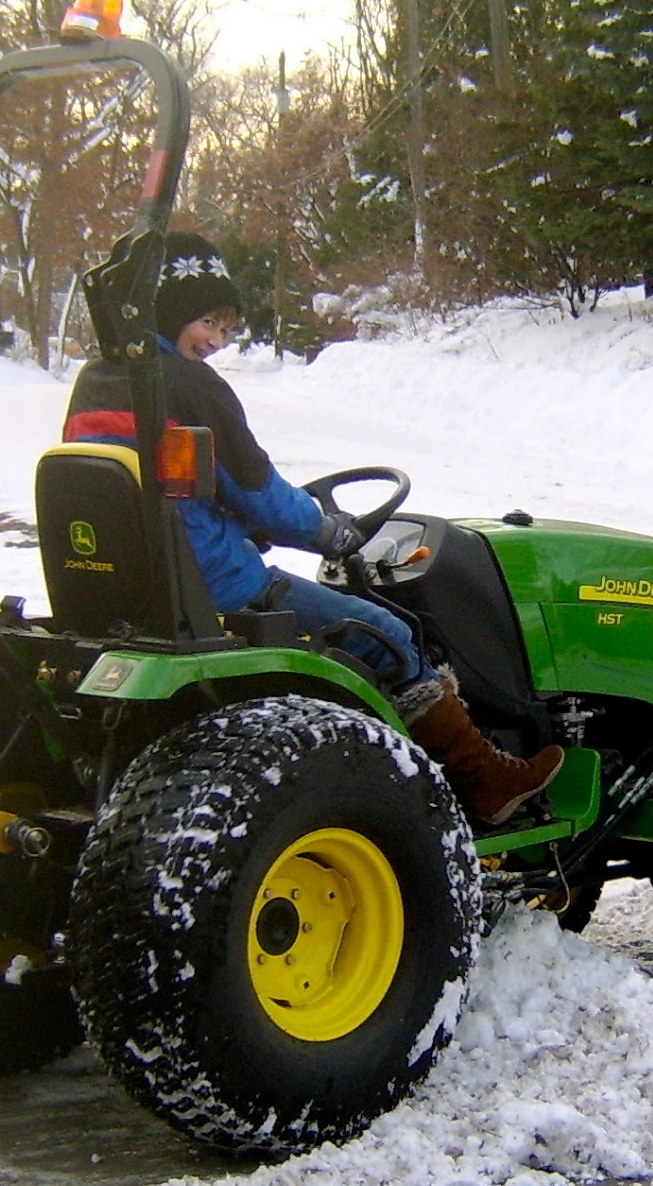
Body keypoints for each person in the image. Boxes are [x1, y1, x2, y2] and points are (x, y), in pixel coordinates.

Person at [62, 231, 562, 825]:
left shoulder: (97, 381)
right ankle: (483, 784)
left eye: (224, 328)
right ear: (165, 309)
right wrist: (328, 532)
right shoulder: (189, 387)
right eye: (205, 321)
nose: (216, 342)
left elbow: (168, 489)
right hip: (218, 588)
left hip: (138, 586)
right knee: (387, 634)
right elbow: (260, 494)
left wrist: (244, 523)